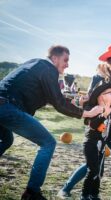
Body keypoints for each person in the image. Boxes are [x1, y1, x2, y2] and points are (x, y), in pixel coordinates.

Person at [0, 45, 103, 200]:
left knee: (7, 140)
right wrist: (86, 113)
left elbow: (53, 96)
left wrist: (74, 100)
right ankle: (32, 193)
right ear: (54, 58)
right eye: (65, 60)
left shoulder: (35, 63)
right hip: (8, 106)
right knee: (48, 143)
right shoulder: (49, 69)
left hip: (4, 104)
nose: (68, 64)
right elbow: (58, 102)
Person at [58, 44, 111, 200]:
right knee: (93, 166)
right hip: (99, 128)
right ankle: (66, 188)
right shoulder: (98, 78)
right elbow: (89, 103)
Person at [81, 82, 111, 200]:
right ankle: (84, 195)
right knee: (93, 170)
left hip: (100, 146)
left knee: (99, 172)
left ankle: (94, 194)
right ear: (102, 97)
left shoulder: (108, 110)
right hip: (91, 144)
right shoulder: (97, 109)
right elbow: (92, 125)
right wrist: (103, 115)